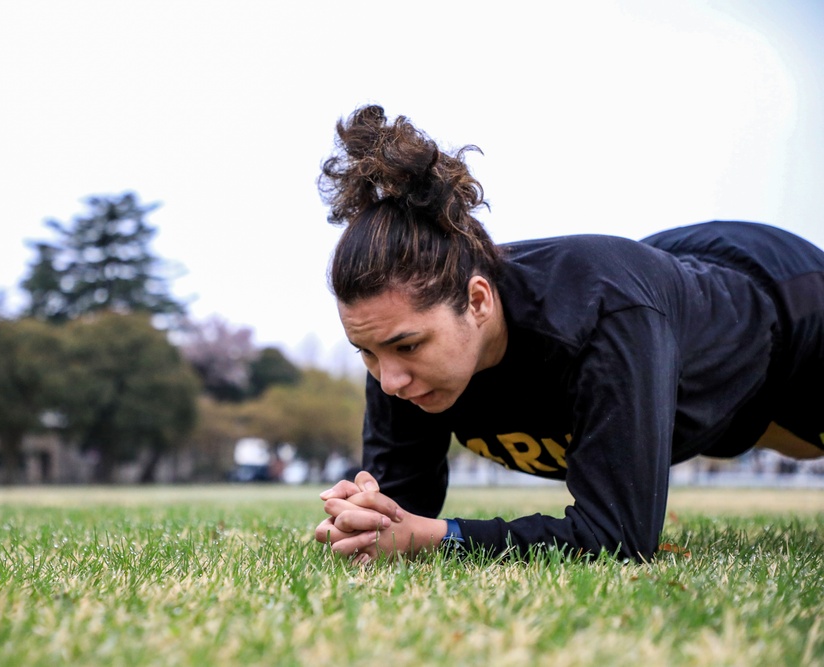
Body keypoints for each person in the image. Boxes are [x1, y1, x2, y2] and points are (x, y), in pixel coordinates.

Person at [312, 105, 824, 564]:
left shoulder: (605, 316)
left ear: (478, 301)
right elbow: (400, 514)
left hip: (791, 309)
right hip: (677, 319)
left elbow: (619, 538)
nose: (390, 381)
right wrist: (363, 522)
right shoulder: (398, 345)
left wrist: (444, 537)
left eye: (406, 347)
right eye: (368, 354)